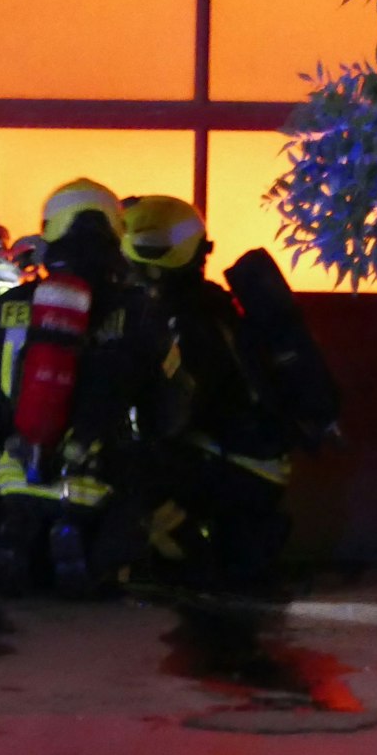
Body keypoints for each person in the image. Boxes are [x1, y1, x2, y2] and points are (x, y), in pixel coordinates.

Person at [0, 179, 184, 597]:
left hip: (13, 483)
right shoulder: (140, 310)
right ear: (116, 232)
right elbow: (169, 414)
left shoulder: (6, 307)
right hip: (100, 485)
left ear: (49, 230)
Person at [120, 195, 292, 592]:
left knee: (124, 467)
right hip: (252, 458)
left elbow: (179, 413)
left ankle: (185, 556)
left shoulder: (182, 319)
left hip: (234, 463)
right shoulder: (209, 303)